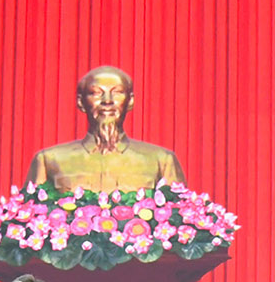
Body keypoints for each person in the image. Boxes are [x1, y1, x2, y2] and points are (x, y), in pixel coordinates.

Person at [24, 65, 186, 193]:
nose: (107, 101)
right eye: (96, 93)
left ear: (130, 101)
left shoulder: (161, 161)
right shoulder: (49, 160)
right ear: (81, 102)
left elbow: (181, 215)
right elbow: (30, 214)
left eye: (117, 93)